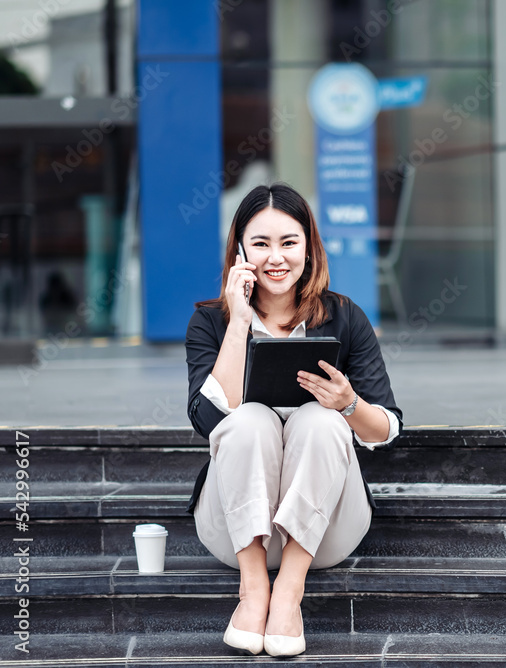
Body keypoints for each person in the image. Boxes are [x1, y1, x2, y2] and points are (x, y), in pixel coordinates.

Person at [183, 183, 402, 657]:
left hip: (324, 531)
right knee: (248, 419)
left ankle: (289, 592)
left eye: (288, 242)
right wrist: (239, 320)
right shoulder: (210, 322)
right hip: (236, 530)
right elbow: (206, 419)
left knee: (319, 421)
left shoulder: (344, 318)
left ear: (309, 246)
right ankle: (254, 587)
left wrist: (348, 404)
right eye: (260, 244)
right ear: (240, 250)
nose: (275, 258)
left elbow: (386, 429)